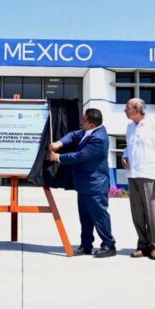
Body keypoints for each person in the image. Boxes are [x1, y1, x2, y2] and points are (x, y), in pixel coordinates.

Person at [50, 108, 116, 258]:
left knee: (99, 216)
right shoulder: (88, 132)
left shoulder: (99, 138)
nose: (81, 122)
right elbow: (73, 135)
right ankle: (86, 245)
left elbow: (80, 156)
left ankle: (109, 245)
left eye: (84, 120)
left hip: (95, 185)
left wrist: (58, 157)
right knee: (85, 217)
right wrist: (59, 143)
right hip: (84, 184)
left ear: (92, 124)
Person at [122, 98, 155, 260]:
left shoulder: (154, 124)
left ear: (137, 109)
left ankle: (154, 246)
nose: (124, 110)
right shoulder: (130, 127)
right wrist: (124, 156)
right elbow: (128, 147)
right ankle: (142, 244)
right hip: (133, 174)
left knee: (151, 214)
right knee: (137, 213)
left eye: (127, 107)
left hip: (149, 174)